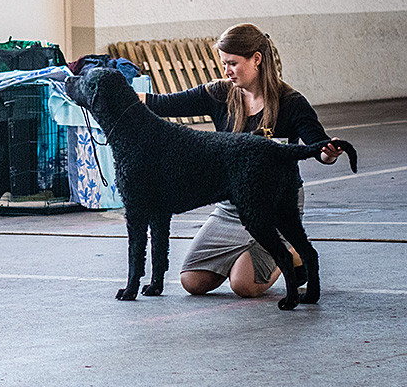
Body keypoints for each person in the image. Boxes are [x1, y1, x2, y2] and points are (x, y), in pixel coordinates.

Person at [140, 23, 344, 298]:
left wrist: (327, 154)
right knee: (192, 282)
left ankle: (294, 254)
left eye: (232, 64)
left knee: (244, 286)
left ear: (256, 59)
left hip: (274, 205)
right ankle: (250, 253)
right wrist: (113, 93)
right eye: (224, 64)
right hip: (231, 206)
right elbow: (161, 103)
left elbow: (320, 148)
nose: (226, 71)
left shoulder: (292, 102)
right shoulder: (218, 94)